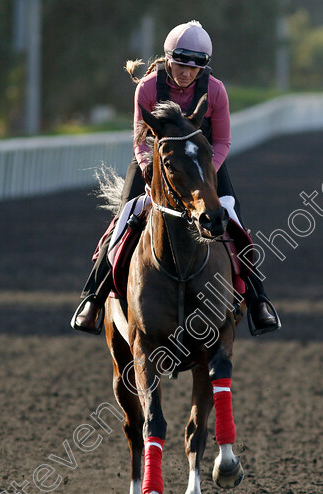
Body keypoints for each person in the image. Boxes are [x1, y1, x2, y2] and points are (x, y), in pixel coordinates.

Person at [71, 20, 278, 336]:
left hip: (203, 165)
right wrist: (148, 167)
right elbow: (141, 139)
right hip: (157, 164)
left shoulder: (216, 90)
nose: (186, 73)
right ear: (168, 59)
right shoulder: (148, 87)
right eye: (180, 64)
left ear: (203, 67)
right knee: (124, 217)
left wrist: (205, 172)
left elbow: (222, 141)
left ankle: (258, 299)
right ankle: (93, 299)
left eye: (194, 67)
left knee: (232, 219)